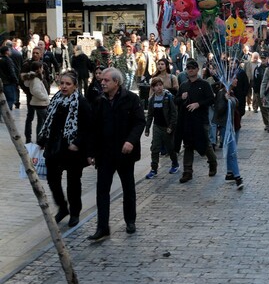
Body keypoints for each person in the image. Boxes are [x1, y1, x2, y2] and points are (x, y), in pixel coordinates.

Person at [88, 67, 145, 241]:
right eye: (102, 80)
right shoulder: (99, 101)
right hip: (105, 154)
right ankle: (102, 227)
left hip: (124, 153)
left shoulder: (131, 99)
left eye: (106, 80)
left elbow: (139, 122)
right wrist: (90, 152)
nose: (102, 83)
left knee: (128, 188)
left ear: (116, 82)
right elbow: (93, 129)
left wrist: (130, 141)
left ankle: (130, 220)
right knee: (102, 191)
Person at [37, 71, 92, 228]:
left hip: (72, 150)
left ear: (75, 86)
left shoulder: (81, 102)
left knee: (73, 183)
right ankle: (62, 207)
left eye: (68, 84)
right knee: (52, 180)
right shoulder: (56, 99)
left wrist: (78, 143)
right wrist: (42, 140)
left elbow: (88, 127)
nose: (64, 86)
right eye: (62, 83)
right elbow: (48, 122)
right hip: (54, 147)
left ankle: (75, 212)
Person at [175, 59, 217, 183]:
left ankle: (213, 163)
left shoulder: (204, 84)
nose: (190, 70)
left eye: (193, 67)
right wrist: (181, 98)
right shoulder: (184, 85)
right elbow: (176, 101)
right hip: (187, 120)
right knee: (188, 145)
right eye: (188, 68)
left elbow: (211, 99)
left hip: (201, 120)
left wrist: (199, 104)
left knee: (205, 144)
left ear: (197, 69)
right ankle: (187, 171)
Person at [144, 77, 179, 179]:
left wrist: (171, 126)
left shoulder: (168, 97)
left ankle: (175, 163)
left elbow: (174, 113)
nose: (159, 87)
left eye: (160, 85)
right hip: (157, 127)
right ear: (153, 88)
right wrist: (147, 129)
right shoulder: (152, 99)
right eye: (156, 86)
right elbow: (150, 115)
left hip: (167, 127)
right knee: (155, 148)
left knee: (170, 148)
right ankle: (154, 169)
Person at [213, 77, 244, 190]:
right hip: (227, 127)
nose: (236, 80)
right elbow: (219, 110)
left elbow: (236, 104)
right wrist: (226, 101)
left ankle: (229, 172)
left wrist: (230, 99)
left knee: (232, 150)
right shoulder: (222, 93)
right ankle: (238, 177)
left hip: (235, 125)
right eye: (234, 78)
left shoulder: (231, 92)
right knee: (232, 152)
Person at [21, 61, 49, 142]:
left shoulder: (33, 77)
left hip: (38, 102)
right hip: (40, 103)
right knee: (45, 120)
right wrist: (45, 97)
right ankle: (40, 140)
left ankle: (39, 139)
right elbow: (35, 91)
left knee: (42, 121)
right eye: (42, 68)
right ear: (39, 69)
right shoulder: (36, 79)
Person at [253, 52, 269, 130]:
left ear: (267, 58)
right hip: (260, 91)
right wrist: (256, 92)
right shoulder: (257, 68)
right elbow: (255, 80)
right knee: (263, 109)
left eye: (264, 58)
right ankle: (267, 124)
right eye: (262, 58)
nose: (263, 59)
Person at [0, 45, 19, 110]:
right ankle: (7, 116)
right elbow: (12, 72)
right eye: (9, 50)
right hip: (8, 83)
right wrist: (16, 81)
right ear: (6, 52)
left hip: (2, 83)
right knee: (10, 100)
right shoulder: (8, 60)